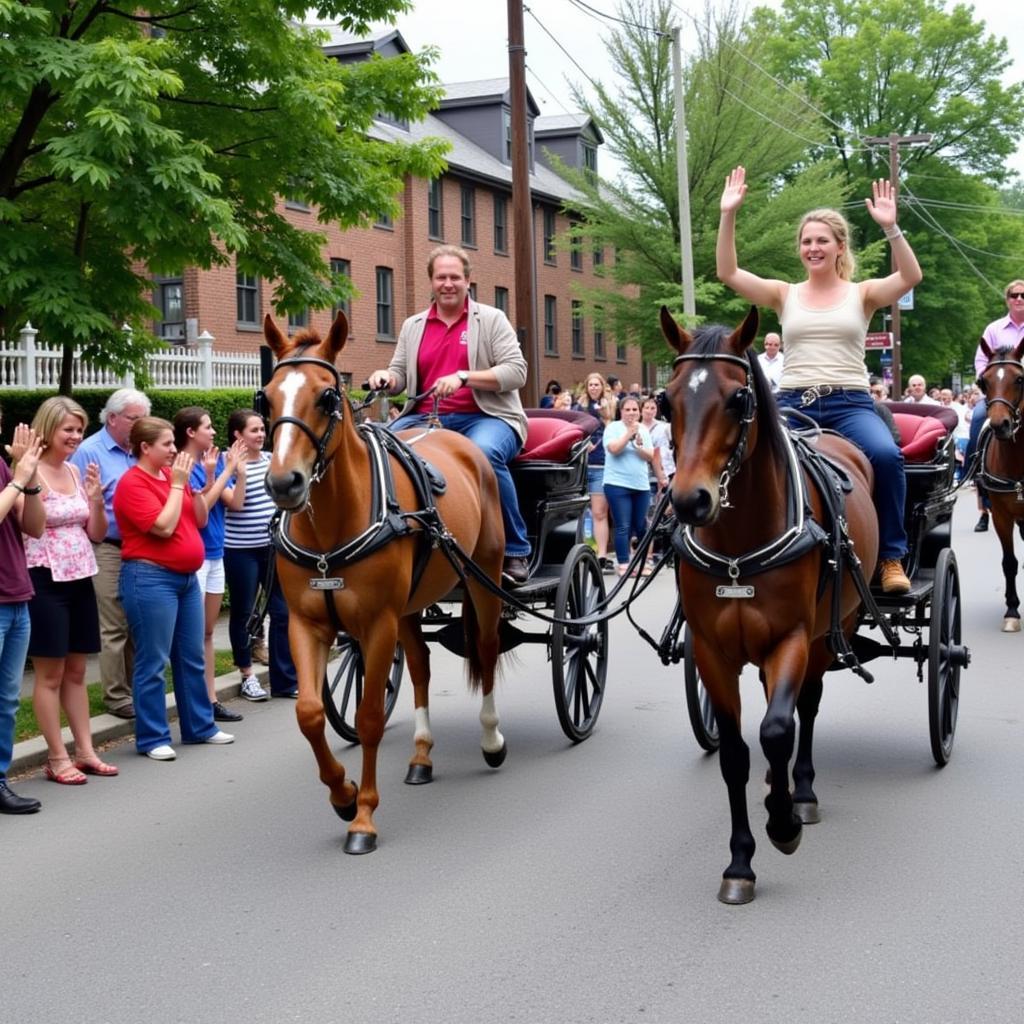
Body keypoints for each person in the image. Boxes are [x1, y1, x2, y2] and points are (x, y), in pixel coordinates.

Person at [717, 165, 922, 594]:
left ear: (838, 247)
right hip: (791, 405)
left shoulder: (861, 293)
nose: (813, 248)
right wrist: (728, 214)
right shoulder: (784, 293)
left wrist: (891, 228)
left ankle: (890, 558)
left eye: (821, 241)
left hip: (850, 404)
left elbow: (910, 278)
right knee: (743, 459)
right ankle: (737, 551)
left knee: (886, 456)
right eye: (807, 241)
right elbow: (729, 273)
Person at [368, 244, 532, 584]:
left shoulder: (490, 319)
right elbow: (399, 375)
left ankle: (515, 550)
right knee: (374, 451)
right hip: (426, 418)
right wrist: (386, 378)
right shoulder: (413, 325)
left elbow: (517, 372)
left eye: (455, 277)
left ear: (468, 280)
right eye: (441, 277)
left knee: (484, 455)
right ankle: (389, 544)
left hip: (488, 417)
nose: (448, 284)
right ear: (431, 281)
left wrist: (464, 377)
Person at [113, 417, 234, 759]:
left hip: (184, 579)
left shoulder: (170, 476)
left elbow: (198, 519)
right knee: (153, 660)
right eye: (166, 444)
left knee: (191, 655)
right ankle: (152, 737)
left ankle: (200, 726)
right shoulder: (132, 483)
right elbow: (163, 527)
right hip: (150, 579)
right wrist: (179, 485)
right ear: (145, 447)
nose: (172, 450)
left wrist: (198, 485)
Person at [24, 397, 117, 784]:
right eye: (68, 430)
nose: (76, 437)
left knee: (77, 671)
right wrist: (29, 482)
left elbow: (95, 533)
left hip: (80, 575)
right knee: (50, 674)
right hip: (44, 578)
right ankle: (57, 756)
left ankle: (86, 751)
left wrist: (96, 501)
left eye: (79, 430)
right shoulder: (30, 472)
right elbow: (32, 527)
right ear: (47, 430)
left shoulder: (76, 473)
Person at [69, 387, 150, 718]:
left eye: (144, 418)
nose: (141, 424)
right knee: (114, 623)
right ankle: (117, 696)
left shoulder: (140, 450)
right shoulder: (90, 451)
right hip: (106, 547)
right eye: (135, 418)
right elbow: (75, 500)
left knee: (135, 622)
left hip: (140, 547)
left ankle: (135, 689)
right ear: (113, 418)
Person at [173, 408, 248, 723]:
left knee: (206, 633)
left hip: (216, 552)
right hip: (196, 555)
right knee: (190, 634)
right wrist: (220, 471)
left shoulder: (213, 461)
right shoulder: (183, 465)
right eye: (208, 426)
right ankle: (196, 702)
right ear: (191, 432)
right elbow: (200, 508)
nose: (214, 432)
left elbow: (236, 502)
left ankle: (211, 698)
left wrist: (238, 473)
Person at [222, 409, 297, 699]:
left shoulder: (271, 461)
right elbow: (236, 505)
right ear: (238, 435)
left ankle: (284, 680)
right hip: (240, 551)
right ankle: (247, 675)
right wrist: (239, 473)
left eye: (262, 430)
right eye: (254, 430)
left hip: (274, 548)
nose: (261, 435)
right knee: (243, 613)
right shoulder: (224, 464)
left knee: (283, 612)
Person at [0, 411, 45, 813]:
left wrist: (28, 480)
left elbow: (34, 527)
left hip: (16, 594)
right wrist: (18, 477)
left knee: (7, 699)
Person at [966, 279, 1024, 531]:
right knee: (979, 418)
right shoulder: (994, 329)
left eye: (1023, 295)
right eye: (1014, 295)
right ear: (1007, 299)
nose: (1019, 299)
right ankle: (976, 472)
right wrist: (989, 382)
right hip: (1001, 395)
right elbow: (981, 362)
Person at [603, 397, 655, 576]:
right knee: (623, 525)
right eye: (628, 410)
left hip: (640, 484)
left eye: (635, 410)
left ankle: (642, 562)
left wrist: (638, 445)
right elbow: (614, 449)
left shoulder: (644, 430)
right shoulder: (613, 428)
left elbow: (649, 455)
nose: (632, 413)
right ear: (621, 411)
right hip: (617, 483)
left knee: (641, 525)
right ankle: (624, 563)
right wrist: (628, 435)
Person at [581, 372, 617, 572]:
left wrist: (605, 414)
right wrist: (584, 443)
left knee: (599, 512)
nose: (594, 388)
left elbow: (615, 430)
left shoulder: (610, 407)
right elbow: (574, 430)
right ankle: (585, 549)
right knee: (579, 512)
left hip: (602, 465)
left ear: (603, 387)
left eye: (597, 384)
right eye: (591, 384)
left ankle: (601, 555)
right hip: (583, 465)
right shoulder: (580, 407)